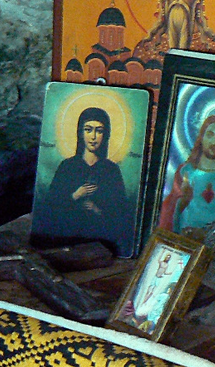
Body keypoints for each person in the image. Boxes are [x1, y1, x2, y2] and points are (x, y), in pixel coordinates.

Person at [41, 107, 129, 254]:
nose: (93, 137)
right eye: (88, 129)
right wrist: (75, 195)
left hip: (100, 245)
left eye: (99, 131)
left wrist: (96, 209)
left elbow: (121, 213)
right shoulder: (67, 167)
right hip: (66, 242)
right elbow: (50, 207)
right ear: (80, 133)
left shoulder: (111, 170)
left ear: (105, 135)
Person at [158, 113, 215, 231]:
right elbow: (168, 213)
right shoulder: (185, 171)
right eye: (210, 135)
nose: (214, 142)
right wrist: (183, 201)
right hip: (185, 241)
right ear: (201, 138)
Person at [119, 247, 185, 332]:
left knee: (151, 291)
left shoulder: (143, 311)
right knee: (150, 291)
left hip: (159, 279)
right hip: (157, 278)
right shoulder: (141, 310)